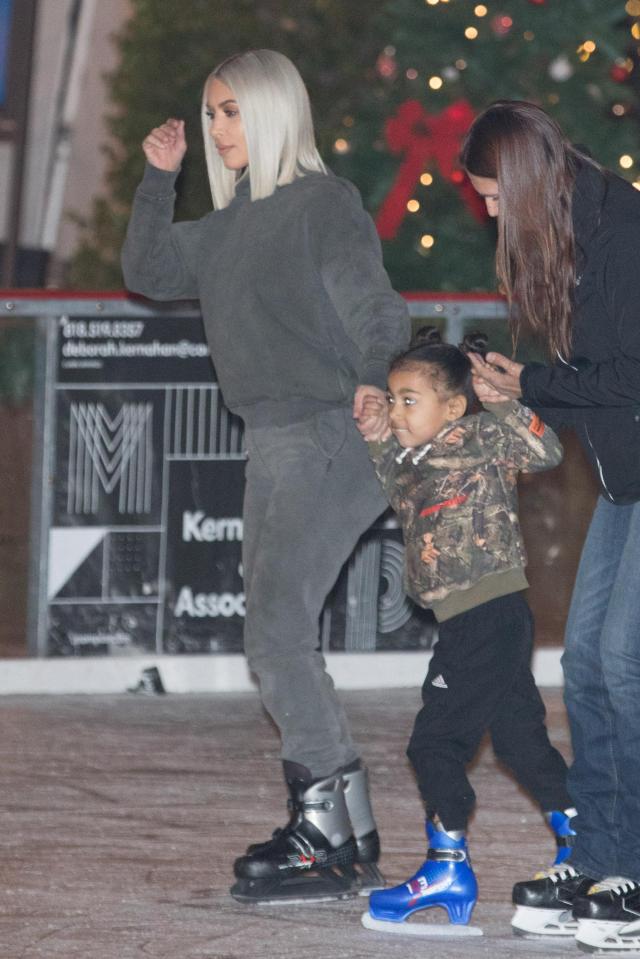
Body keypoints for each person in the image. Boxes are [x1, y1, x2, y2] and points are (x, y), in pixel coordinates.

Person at [121, 48, 410, 904]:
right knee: (280, 629)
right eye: (211, 112)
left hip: (332, 432)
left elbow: (375, 306)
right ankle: (344, 828)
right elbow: (148, 271)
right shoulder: (223, 225)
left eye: (233, 111)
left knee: (276, 629)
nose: (217, 127)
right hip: (275, 438)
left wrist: (375, 373)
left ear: (277, 111)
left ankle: (324, 827)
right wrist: (156, 178)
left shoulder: (322, 204)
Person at [461, 99, 640, 953]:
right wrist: (522, 384)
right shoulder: (571, 239)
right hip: (626, 477)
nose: (488, 212)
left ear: (530, 184)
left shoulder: (626, 234)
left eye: (493, 196)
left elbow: (632, 377)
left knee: (622, 660)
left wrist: (530, 383)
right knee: (583, 660)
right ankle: (602, 856)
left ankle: (631, 866)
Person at [355, 327, 574, 936]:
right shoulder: (414, 460)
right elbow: (399, 494)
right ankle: (583, 838)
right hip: (476, 619)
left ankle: (447, 866)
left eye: (409, 400)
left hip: (487, 615)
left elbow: (545, 452)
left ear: (452, 406)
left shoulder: (480, 435)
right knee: (519, 744)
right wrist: (378, 441)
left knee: (435, 743)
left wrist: (502, 402)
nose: (397, 411)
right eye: (393, 399)